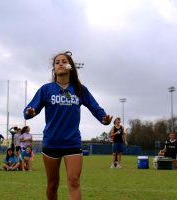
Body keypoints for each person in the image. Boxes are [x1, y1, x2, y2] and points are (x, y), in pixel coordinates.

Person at [24, 51, 112, 200]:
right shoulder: (46, 89)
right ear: (54, 68)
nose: (60, 63)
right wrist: (30, 112)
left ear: (70, 66)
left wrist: (103, 118)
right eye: (57, 62)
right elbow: (29, 110)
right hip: (51, 142)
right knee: (52, 184)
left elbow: (95, 107)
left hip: (72, 142)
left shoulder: (79, 89)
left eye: (64, 61)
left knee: (74, 181)